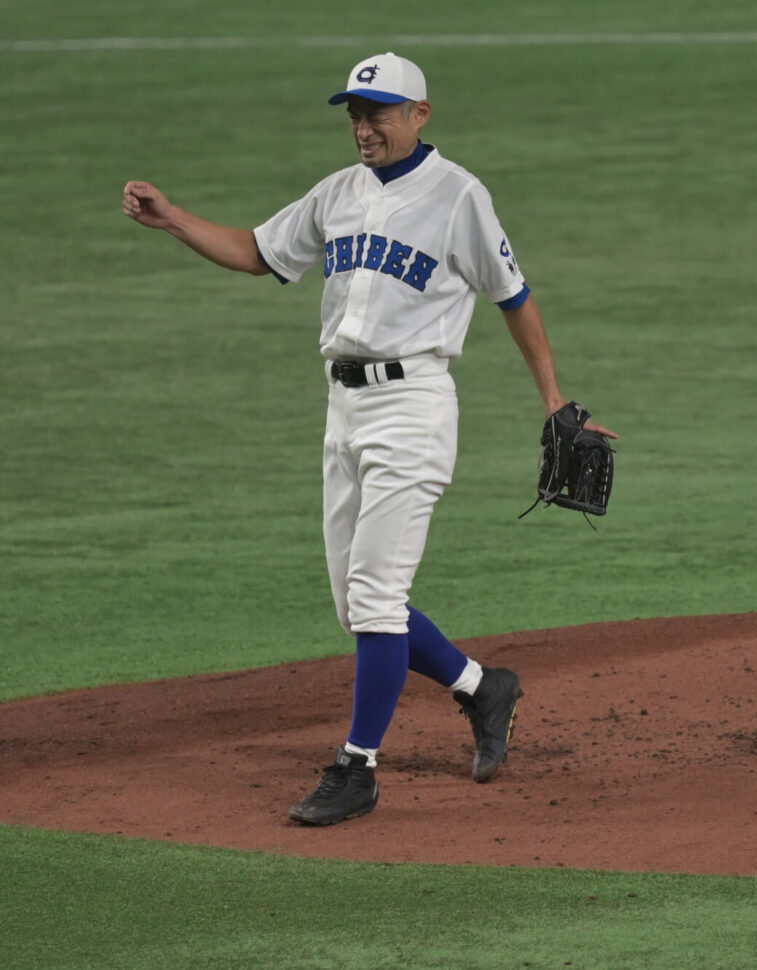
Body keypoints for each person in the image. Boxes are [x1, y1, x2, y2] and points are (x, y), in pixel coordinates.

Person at [121, 52, 617, 826]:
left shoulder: (459, 196)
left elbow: (512, 297)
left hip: (414, 408)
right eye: (354, 112)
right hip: (343, 413)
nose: (363, 127)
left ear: (420, 114)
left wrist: (554, 399)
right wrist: (174, 217)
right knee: (358, 609)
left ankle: (358, 768)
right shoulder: (337, 193)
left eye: (378, 112)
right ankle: (484, 688)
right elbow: (258, 252)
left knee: (377, 599)